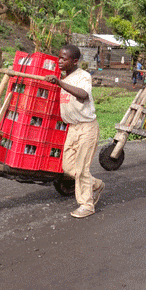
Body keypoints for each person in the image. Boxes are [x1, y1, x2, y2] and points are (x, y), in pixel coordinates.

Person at [45, 45, 105, 218]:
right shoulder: (64, 76)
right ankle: (96, 185)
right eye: (59, 58)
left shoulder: (83, 76)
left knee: (82, 169)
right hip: (72, 127)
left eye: (64, 59)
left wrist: (60, 83)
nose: (60, 61)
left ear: (75, 61)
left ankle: (86, 205)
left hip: (87, 128)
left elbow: (83, 95)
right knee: (68, 167)